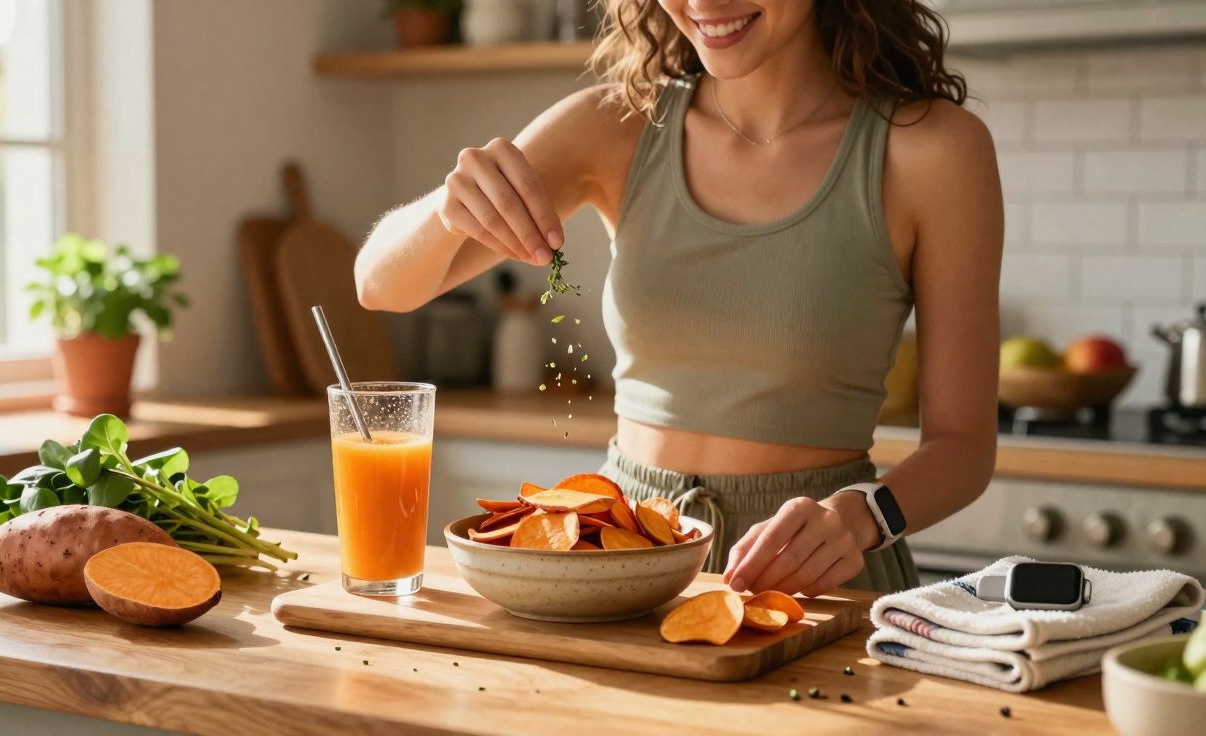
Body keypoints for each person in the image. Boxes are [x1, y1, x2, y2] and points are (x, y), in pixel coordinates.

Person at [354, 0, 1002, 597]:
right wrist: (448, 207)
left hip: (820, 575)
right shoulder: (617, 126)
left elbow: (963, 445)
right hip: (623, 557)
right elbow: (379, 284)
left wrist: (860, 515)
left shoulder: (932, 152)